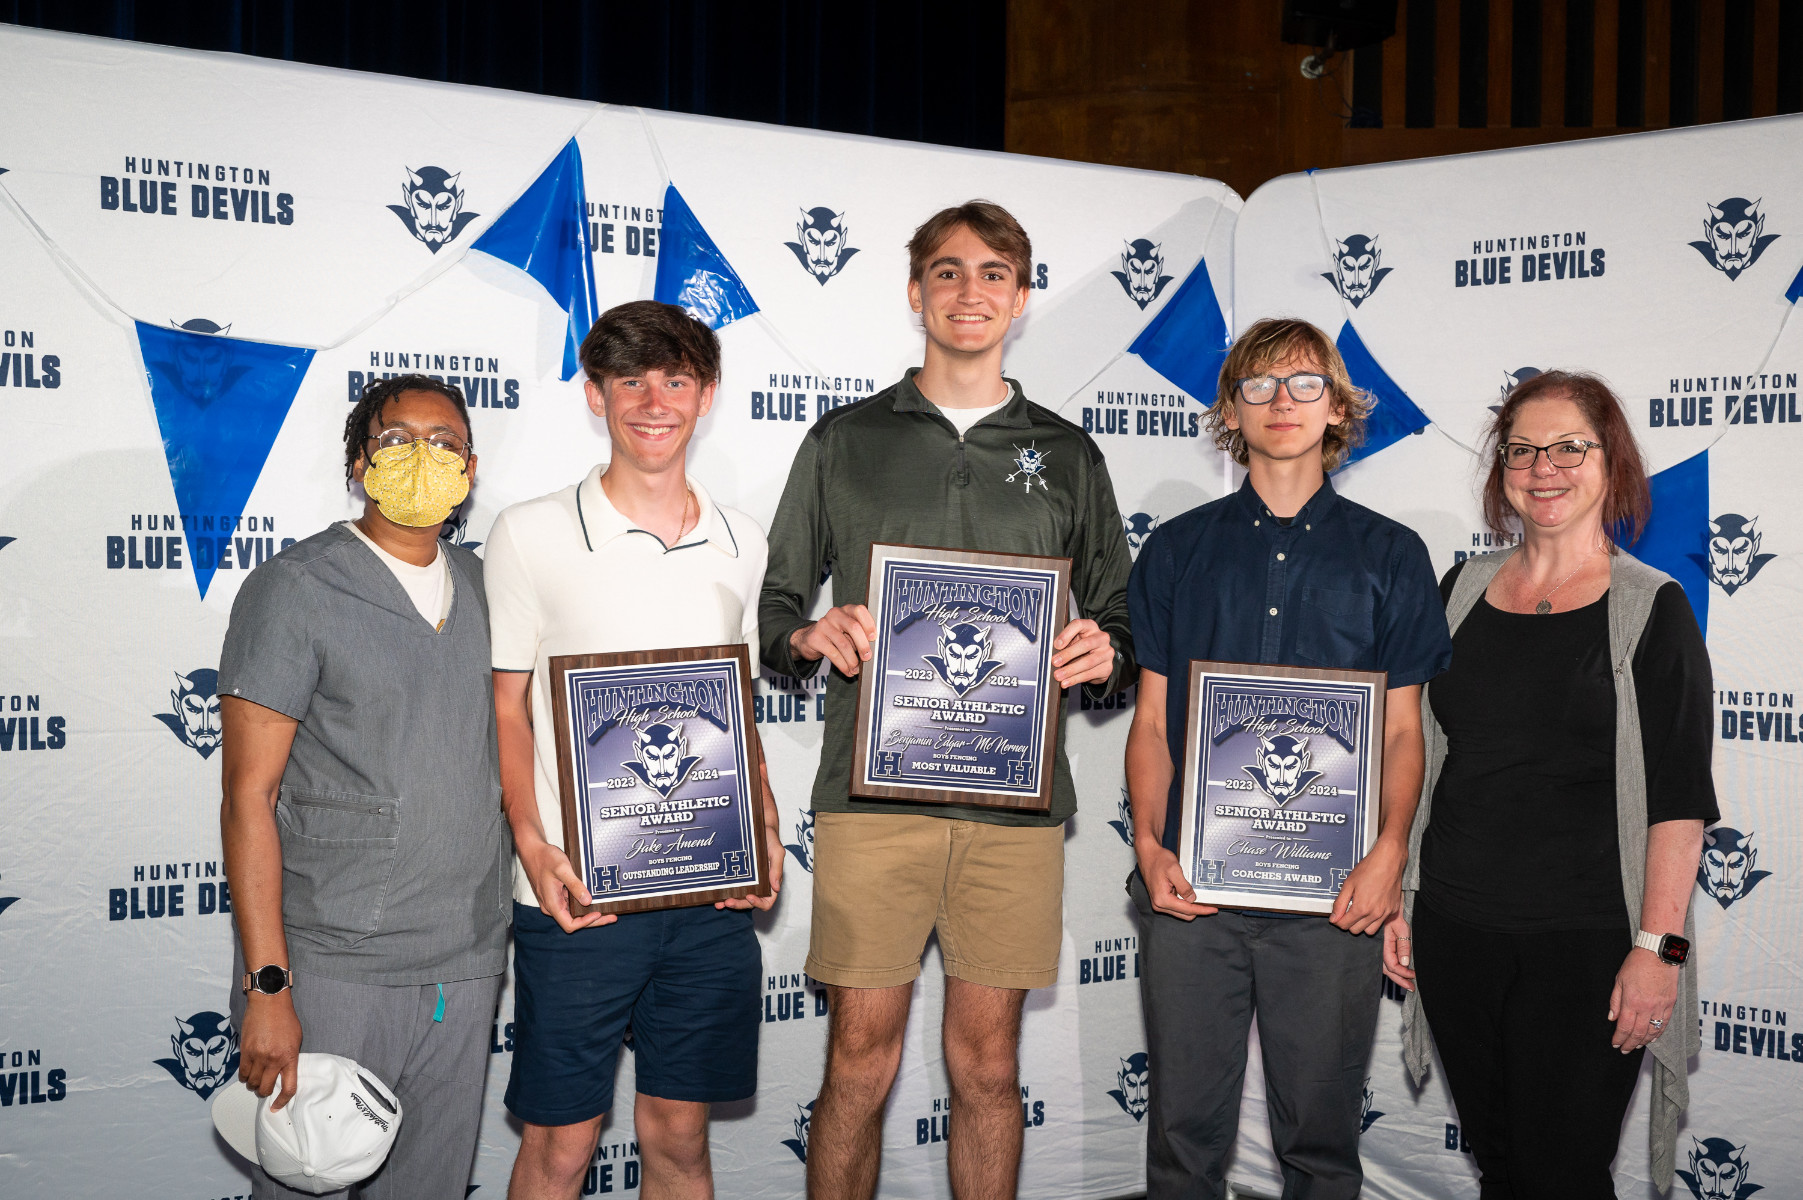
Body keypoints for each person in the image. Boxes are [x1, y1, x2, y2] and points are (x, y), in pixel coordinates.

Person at [759, 199, 1137, 1200]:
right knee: (859, 1060)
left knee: (987, 1067)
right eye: (949, 271)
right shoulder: (844, 440)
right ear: (915, 291)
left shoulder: (1069, 455)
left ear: (1021, 297)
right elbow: (777, 609)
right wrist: (808, 635)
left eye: (994, 274)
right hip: (869, 804)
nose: (971, 292)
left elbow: (1121, 632)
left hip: (1013, 812)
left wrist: (1103, 652)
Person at [1124, 316, 1452, 1199]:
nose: (1281, 403)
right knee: (1183, 1143)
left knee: (1320, 1145)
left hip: (1332, 898)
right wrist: (1148, 850)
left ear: (1338, 406)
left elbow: (1399, 730)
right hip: (1191, 894)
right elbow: (1151, 722)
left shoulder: (1391, 554)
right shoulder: (1176, 550)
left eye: (1304, 383)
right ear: (1228, 409)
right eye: (1258, 385)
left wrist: (1390, 853)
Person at [484, 301, 781, 1200]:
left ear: (707, 394)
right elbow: (505, 709)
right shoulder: (527, 533)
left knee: (681, 1141)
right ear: (595, 394)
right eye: (631, 380)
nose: (654, 400)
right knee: (561, 1148)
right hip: (577, 897)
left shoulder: (743, 538)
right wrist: (533, 848)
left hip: (707, 897)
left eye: (676, 378)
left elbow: (739, 711)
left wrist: (763, 830)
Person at [1394, 370, 1715, 1198]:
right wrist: (1401, 893)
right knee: (1499, 1161)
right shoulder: (1459, 589)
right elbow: (1422, 757)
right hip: (1456, 928)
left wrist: (1657, 951)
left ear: (1610, 463)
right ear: (1501, 470)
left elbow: (1679, 804)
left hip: (1587, 945)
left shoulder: (1652, 608)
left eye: (1570, 447)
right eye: (1523, 450)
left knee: (1561, 1171)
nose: (1545, 468)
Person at [220, 374, 509, 1200]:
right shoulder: (297, 589)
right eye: (395, 440)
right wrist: (268, 985)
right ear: (358, 463)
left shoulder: (494, 589)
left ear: (471, 467)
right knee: (302, 1185)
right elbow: (248, 798)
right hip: (333, 963)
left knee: (429, 1186)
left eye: (445, 441)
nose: (423, 457)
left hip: (466, 954)